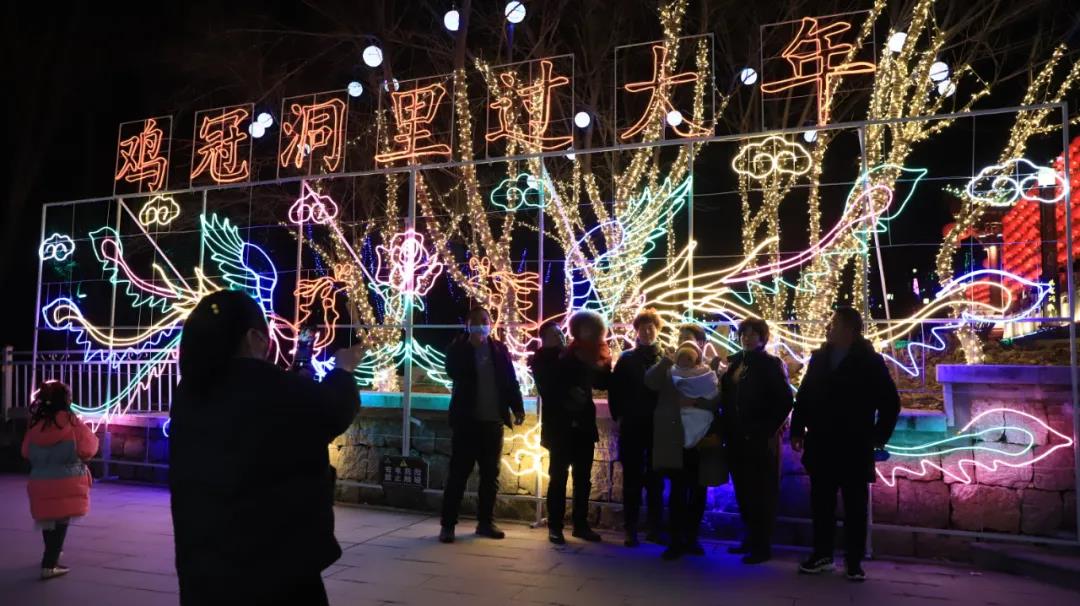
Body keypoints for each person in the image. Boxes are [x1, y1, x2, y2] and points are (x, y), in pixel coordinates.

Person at [170, 290, 363, 606]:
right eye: (264, 338)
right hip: (273, 565)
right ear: (252, 338)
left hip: (203, 561)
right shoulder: (267, 384)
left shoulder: (189, 391)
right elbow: (333, 410)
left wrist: (294, 383)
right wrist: (342, 371)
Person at [790, 307, 900, 582]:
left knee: (855, 505)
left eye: (835, 323)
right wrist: (797, 428)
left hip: (854, 443)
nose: (829, 327)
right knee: (821, 502)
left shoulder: (870, 361)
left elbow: (890, 402)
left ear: (849, 329)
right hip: (822, 441)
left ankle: (854, 561)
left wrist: (877, 437)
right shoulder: (819, 358)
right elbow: (804, 395)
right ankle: (822, 555)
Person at [441, 306, 525, 544]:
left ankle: (485, 522)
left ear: (491, 323)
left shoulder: (499, 349)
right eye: (476, 320)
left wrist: (517, 407)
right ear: (467, 324)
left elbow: (510, 380)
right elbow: (453, 372)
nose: (481, 324)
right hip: (466, 423)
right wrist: (471, 347)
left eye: (485, 320)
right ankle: (448, 525)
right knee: (458, 475)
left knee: (490, 476)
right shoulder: (458, 348)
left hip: (492, 422)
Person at [719, 317, 793, 564]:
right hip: (736, 439)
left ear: (763, 338)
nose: (747, 338)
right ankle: (750, 539)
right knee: (743, 491)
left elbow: (784, 401)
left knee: (762, 493)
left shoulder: (771, 364)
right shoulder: (736, 364)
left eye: (753, 334)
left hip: (760, 442)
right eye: (744, 333)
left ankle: (762, 545)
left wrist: (764, 430)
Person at [646, 338, 726, 560]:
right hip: (676, 441)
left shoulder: (706, 374)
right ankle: (675, 540)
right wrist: (665, 361)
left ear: (697, 358)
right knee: (678, 493)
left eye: (690, 357)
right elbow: (650, 381)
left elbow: (716, 400)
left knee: (698, 492)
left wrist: (694, 402)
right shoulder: (668, 373)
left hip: (700, 443)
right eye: (682, 356)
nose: (686, 361)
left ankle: (691, 538)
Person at [537, 310, 610, 545]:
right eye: (553, 334)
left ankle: (581, 524)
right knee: (558, 478)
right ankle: (555, 526)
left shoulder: (577, 354)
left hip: (583, 427)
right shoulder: (542, 360)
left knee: (583, 478)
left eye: (560, 332)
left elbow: (599, 382)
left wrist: (600, 362)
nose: (559, 336)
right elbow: (548, 389)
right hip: (560, 429)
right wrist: (570, 393)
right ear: (543, 339)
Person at [22, 380, 99, 580]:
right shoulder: (72, 423)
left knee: (48, 519)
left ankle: (52, 553)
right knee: (61, 519)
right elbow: (88, 448)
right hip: (67, 479)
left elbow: (26, 451)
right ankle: (50, 563)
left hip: (40, 479)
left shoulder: (36, 424)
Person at [609, 308, 665, 547]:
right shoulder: (627, 359)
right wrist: (619, 416)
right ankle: (630, 528)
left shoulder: (666, 358)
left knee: (656, 479)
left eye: (651, 327)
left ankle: (655, 527)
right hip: (633, 425)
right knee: (632, 479)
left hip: (658, 426)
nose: (647, 332)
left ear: (657, 329)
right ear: (636, 331)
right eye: (643, 328)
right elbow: (615, 390)